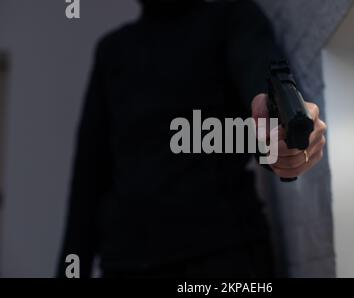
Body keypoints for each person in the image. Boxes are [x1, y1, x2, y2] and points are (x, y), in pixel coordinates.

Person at [57, 0, 327, 278]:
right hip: (127, 261)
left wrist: (280, 132)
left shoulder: (231, 17)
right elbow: (88, 176)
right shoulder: (112, 51)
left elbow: (260, 84)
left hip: (224, 256)